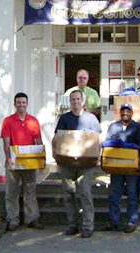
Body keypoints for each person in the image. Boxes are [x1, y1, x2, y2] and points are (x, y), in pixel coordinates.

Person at [52, 90, 102, 238]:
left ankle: (87, 226)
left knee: (85, 193)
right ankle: (72, 224)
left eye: (78, 99)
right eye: (73, 100)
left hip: (85, 164)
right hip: (67, 163)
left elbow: (98, 139)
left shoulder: (91, 118)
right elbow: (57, 137)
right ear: (70, 101)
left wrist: (98, 154)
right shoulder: (64, 118)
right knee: (68, 194)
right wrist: (54, 151)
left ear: (82, 100)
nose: (75, 102)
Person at [0, 92, 44, 231]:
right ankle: (13, 220)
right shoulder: (8, 121)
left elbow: (38, 142)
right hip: (13, 161)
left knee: (30, 191)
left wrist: (41, 159)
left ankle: (32, 219)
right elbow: (6, 142)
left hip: (30, 162)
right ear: (14, 104)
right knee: (12, 192)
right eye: (19, 102)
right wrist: (8, 159)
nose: (21, 105)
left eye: (24, 102)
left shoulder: (33, 121)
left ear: (27, 104)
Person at [103, 103, 140, 233]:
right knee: (114, 194)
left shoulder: (137, 127)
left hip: (132, 167)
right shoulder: (113, 127)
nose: (125, 113)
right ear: (119, 113)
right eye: (123, 111)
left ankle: (131, 221)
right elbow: (107, 144)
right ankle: (113, 220)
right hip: (116, 166)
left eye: (128, 111)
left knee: (132, 193)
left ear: (132, 113)